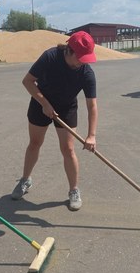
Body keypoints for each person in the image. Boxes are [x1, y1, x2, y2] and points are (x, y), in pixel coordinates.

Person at [11, 31, 98, 211]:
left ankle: (74, 190)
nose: (84, 62)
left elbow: (92, 106)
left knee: (68, 149)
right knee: (35, 143)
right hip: (40, 102)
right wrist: (44, 103)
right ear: (70, 50)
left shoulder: (86, 73)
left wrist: (91, 136)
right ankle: (25, 180)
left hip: (67, 108)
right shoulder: (50, 57)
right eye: (81, 57)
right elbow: (27, 81)